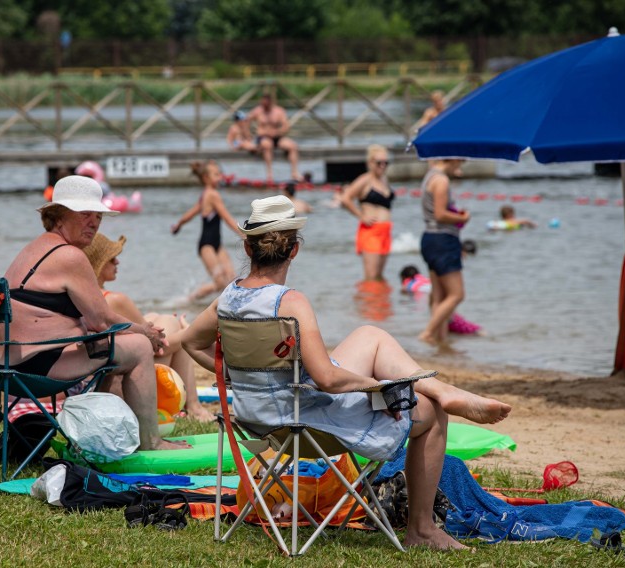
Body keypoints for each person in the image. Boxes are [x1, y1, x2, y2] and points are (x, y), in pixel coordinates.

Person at [181, 195, 511, 551]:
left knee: (370, 335)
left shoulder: (228, 298)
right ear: (294, 250)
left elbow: (189, 342)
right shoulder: (290, 302)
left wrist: (240, 377)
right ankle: (422, 529)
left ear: (247, 247)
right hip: (300, 424)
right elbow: (327, 379)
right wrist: (378, 386)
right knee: (430, 412)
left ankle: (441, 388)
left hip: (255, 419)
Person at [0, 175, 188, 451]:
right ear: (58, 216)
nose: (94, 222)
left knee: (114, 349)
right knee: (138, 347)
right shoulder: (70, 256)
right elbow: (101, 320)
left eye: (98, 216)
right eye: (84, 214)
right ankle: (151, 441)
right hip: (30, 368)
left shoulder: (35, 248)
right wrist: (146, 331)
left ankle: (99, 434)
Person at [83, 232, 214, 422]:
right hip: (128, 386)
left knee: (155, 317)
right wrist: (188, 333)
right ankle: (194, 407)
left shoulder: (86, 297)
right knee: (173, 325)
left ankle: (193, 406)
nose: (117, 262)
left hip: (98, 379)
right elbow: (157, 346)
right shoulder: (114, 300)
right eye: (112, 259)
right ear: (98, 263)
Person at [171, 160, 244, 301]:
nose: (220, 177)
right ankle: (190, 299)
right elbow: (227, 218)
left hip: (217, 245)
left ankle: (225, 308)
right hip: (207, 245)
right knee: (220, 283)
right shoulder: (212, 195)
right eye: (216, 174)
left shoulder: (205, 195)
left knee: (231, 281)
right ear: (206, 178)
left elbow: (190, 214)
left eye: (220, 174)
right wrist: (245, 235)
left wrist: (178, 225)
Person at [418, 159, 471, 346]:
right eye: (462, 160)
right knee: (457, 294)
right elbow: (440, 214)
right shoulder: (441, 180)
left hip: (430, 239)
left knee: (439, 295)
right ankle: (428, 333)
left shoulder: (430, 175)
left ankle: (441, 341)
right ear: (452, 158)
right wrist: (463, 217)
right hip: (442, 240)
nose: (463, 164)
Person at [341, 145, 395, 281]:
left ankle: (382, 302)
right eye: (379, 163)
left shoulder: (384, 180)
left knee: (379, 276)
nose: (383, 166)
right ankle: (368, 301)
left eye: (386, 163)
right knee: (371, 277)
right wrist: (361, 216)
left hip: (385, 231)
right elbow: (345, 199)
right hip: (371, 231)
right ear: (370, 162)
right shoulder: (365, 180)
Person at [400, 265, 483, 336]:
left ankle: (434, 331)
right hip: (434, 289)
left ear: (403, 277)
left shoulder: (408, 281)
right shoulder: (422, 278)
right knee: (447, 306)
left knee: (440, 306)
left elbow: (403, 289)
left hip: (425, 291)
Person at [247, 94, 301, 182]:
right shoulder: (258, 110)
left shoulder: (279, 111)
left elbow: (286, 126)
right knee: (268, 145)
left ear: (271, 103)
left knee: (292, 146)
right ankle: (270, 174)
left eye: (266, 105)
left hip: (277, 137)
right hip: (263, 137)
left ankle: (294, 173)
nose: (264, 107)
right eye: (263, 104)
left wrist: (278, 132)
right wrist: (248, 135)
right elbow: (246, 121)